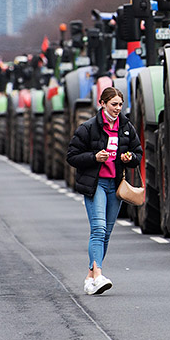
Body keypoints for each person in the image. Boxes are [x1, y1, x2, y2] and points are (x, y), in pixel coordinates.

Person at [67, 87, 142, 295]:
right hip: (96, 183)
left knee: (106, 233)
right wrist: (94, 157)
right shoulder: (88, 128)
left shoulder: (126, 127)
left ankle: (90, 277)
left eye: (120, 104)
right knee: (98, 229)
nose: (118, 108)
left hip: (115, 186)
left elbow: (138, 152)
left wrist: (129, 158)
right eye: (114, 104)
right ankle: (99, 274)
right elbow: (72, 156)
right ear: (102, 104)